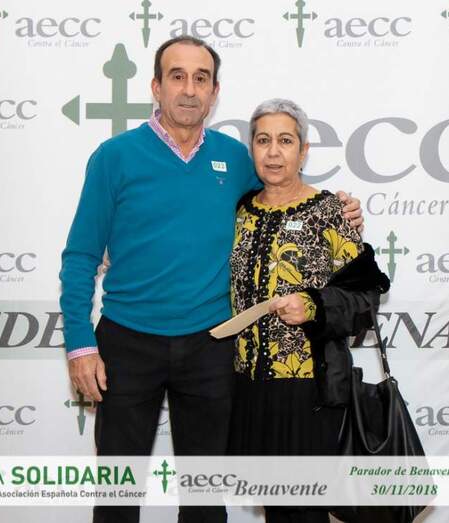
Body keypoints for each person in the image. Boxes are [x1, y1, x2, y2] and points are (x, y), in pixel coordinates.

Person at [59, 37, 364, 523]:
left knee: (204, 498)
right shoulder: (114, 157)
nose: (189, 89)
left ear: (215, 91)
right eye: (177, 76)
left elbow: (283, 196)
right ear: (156, 87)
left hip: (212, 346)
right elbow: (80, 257)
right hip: (127, 345)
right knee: (117, 494)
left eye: (200, 78)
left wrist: (340, 207)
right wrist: (80, 344)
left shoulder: (237, 158)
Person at [227, 99, 390, 523]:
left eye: (285, 141)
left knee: (305, 511)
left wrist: (316, 306)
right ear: (251, 148)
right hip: (251, 388)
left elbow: (366, 299)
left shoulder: (330, 212)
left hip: (310, 390)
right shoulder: (240, 211)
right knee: (276, 509)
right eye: (263, 140)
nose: (273, 152)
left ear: (303, 151)